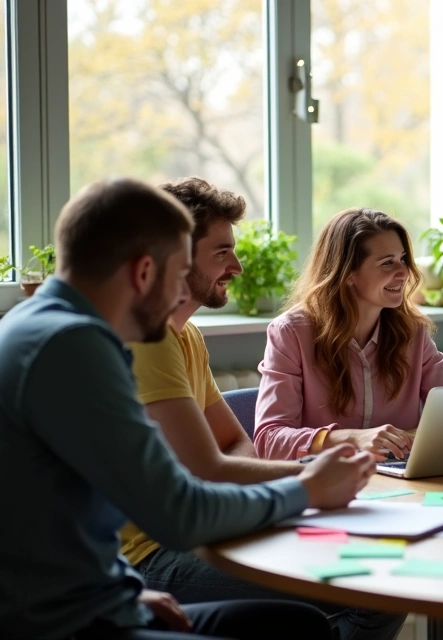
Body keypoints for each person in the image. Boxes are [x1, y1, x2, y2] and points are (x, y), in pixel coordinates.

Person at [0, 178, 374, 639]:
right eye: (178, 276)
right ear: (144, 271)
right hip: (63, 626)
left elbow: (64, 512)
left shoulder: (35, 323)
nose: (180, 295)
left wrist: (120, 589)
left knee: (295, 624)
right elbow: (179, 515)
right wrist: (307, 488)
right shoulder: (75, 344)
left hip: (94, 599)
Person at [122, 178, 403, 640]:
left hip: (205, 527)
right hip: (151, 556)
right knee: (372, 584)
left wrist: (297, 486)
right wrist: (311, 479)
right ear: (177, 257)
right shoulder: (148, 341)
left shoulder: (186, 335)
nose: (236, 266)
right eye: (222, 253)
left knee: (372, 571)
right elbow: (209, 467)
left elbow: (234, 441)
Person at [255, 207, 443, 460]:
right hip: (326, 478)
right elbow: (269, 440)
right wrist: (352, 438)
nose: (404, 273)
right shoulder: (291, 333)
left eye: (403, 259)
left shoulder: (413, 331)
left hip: (398, 477)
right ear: (348, 273)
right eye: (387, 263)